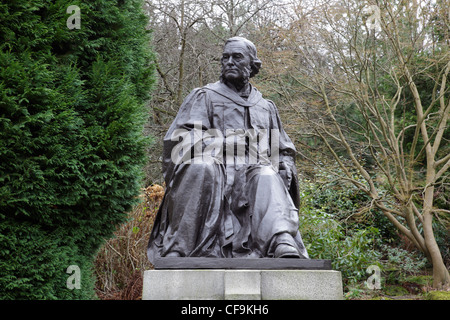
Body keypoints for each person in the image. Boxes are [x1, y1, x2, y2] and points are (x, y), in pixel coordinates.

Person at [147, 37, 308, 262]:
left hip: (252, 180)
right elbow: (180, 142)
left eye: (237, 57)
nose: (229, 62)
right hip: (214, 175)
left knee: (268, 173)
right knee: (203, 167)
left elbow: (283, 149)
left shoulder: (266, 107)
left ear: (252, 65)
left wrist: (285, 163)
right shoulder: (204, 96)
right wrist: (226, 146)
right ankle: (180, 246)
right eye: (225, 58)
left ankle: (280, 240)